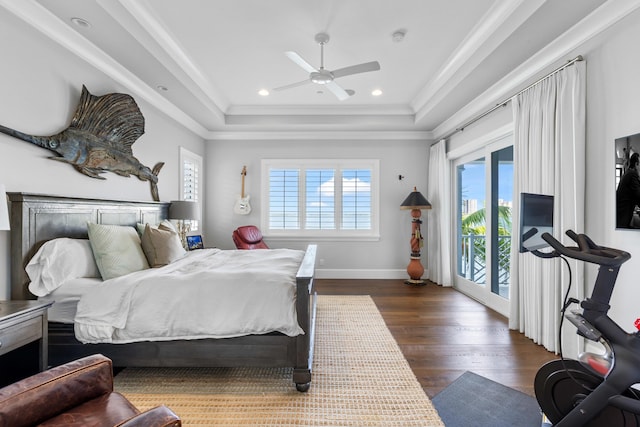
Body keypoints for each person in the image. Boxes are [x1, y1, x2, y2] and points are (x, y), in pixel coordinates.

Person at [616, 152, 640, 228]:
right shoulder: (632, 174)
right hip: (623, 214)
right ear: (636, 164)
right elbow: (638, 194)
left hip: (620, 213)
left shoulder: (628, 172)